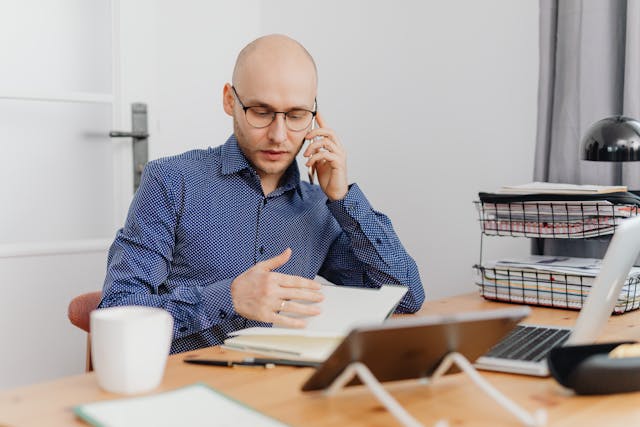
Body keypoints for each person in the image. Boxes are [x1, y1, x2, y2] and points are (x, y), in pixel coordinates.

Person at [99, 34, 424, 354]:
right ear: (230, 100)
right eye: (261, 111)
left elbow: (406, 298)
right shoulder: (170, 181)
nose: (279, 135)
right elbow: (118, 309)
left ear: (314, 115)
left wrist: (342, 198)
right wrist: (229, 298)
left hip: (281, 388)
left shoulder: (319, 207)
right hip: (185, 387)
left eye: (296, 115)